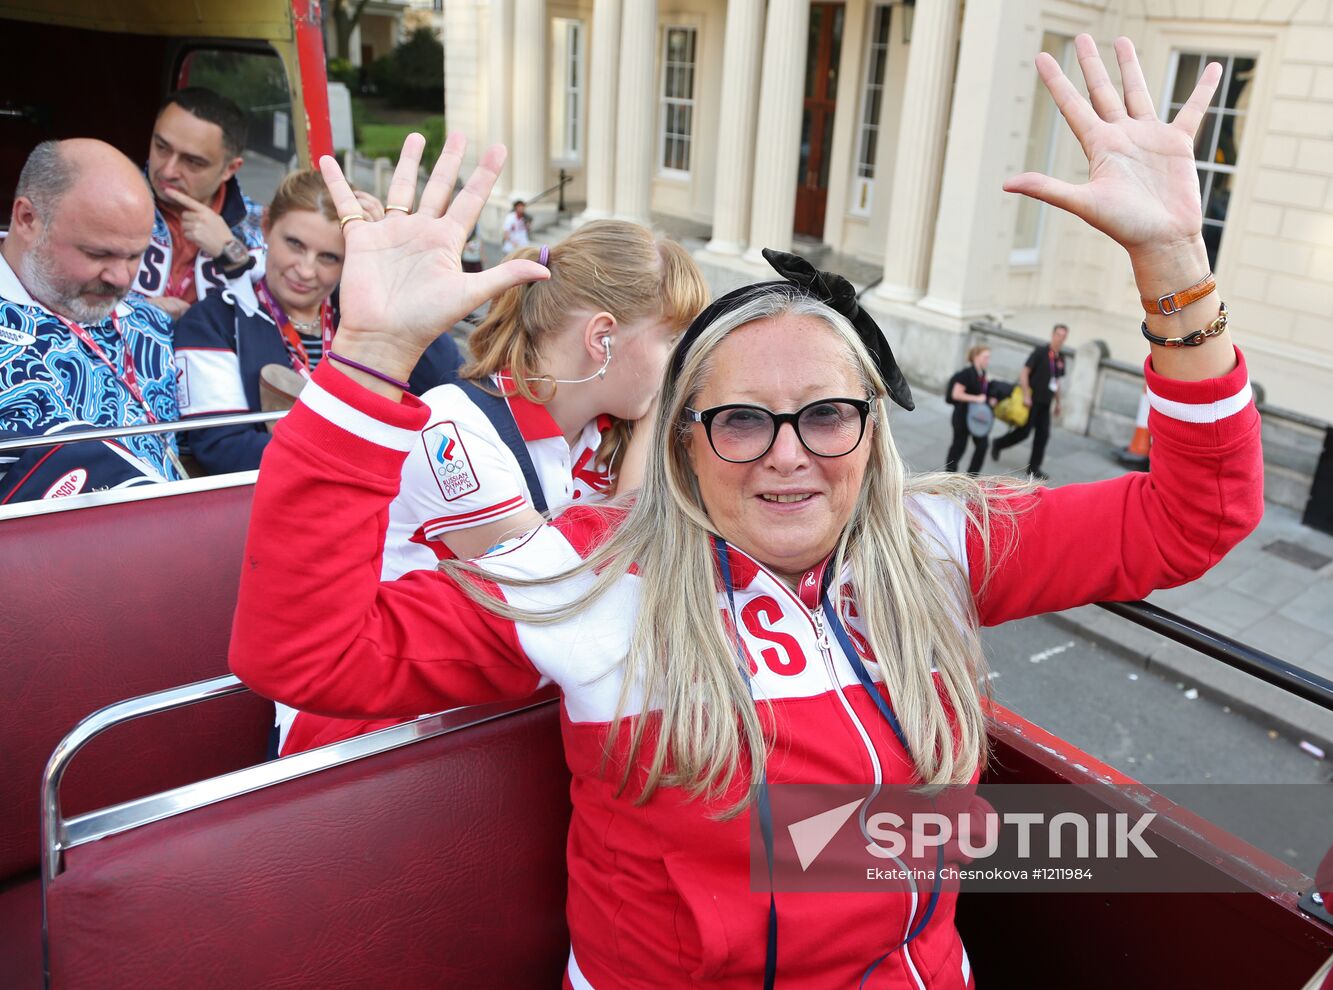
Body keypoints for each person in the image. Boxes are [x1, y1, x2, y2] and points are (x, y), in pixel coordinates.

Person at [232, 37, 1261, 987]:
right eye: (737, 421)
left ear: (871, 427)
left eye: (824, 416)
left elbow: (1194, 513)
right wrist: (367, 362)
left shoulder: (935, 544)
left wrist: (1173, 265)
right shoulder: (591, 574)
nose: (786, 459)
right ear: (681, 438)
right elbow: (307, 657)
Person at [275, 216, 708, 755]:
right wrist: (658, 418)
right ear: (603, 339)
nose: (679, 367)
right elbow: (569, 597)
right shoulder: (453, 426)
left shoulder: (597, 438)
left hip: (488, 704)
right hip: (370, 717)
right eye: (671, 340)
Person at [172, 168, 462, 475]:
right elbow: (224, 450)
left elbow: (447, 382)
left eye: (328, 257)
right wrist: (362, 447)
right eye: (295, 244)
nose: (306, 270)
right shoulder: (213, 321)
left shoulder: (360, 311)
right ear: (268, 226)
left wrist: (392, 279)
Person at [1, 139, 181, 502]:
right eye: (98, 253)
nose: (120, 278)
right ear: (27, 219)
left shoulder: (150, 321)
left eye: (135, 256)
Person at [132, 88, 266, 320]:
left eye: (192, 162)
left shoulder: (261, 228)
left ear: (229, 169)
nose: (168, 170)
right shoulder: (109, 201)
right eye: (161, 147)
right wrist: (137, 313)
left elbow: (278, 327)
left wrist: (229, 252)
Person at [991, 322, 1067, 479]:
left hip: (1046, 403)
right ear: (1052, 335)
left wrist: (1058, 403)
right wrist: (1026, 395)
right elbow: (1024, 372)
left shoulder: (1061, 359)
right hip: (1032, 400)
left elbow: (1057, 382)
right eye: (1058, 335)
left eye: (1063, 336)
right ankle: (998, 443)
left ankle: (1034, 467)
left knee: (1043, 435)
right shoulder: (1040, 352)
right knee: (1024, 432)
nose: (1060, 339)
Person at [944, 345, 995, 474]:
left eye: (989, 357)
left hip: (975, 417)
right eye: (985, 357)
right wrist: (977, 398)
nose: (988, 360)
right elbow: (956, 394)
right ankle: (949, 475)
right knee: (959, 446)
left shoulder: (982, 374)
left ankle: (972, 477)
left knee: (982, 446)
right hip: (962, 417)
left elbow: (982, 394)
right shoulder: (966, 374)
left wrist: (989, 400)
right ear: (975, 357)